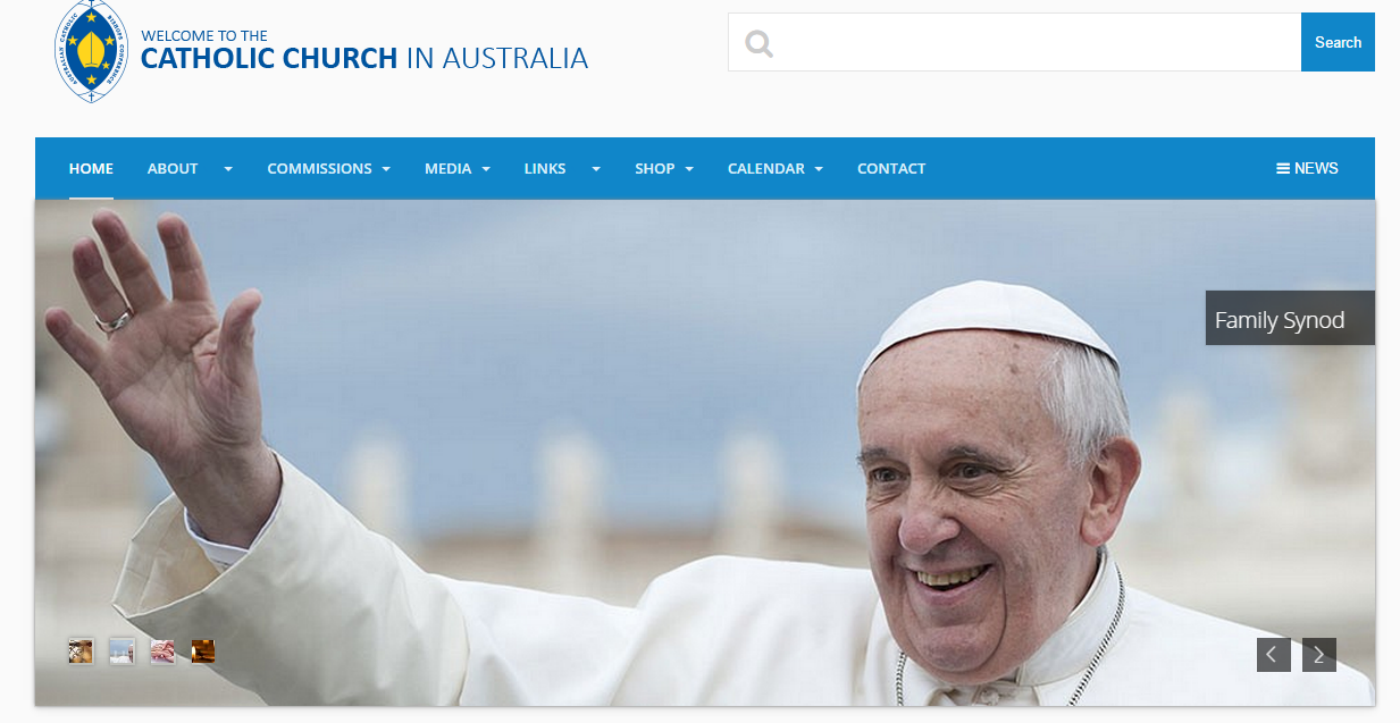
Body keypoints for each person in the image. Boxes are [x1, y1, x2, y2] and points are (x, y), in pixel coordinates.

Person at [44, 210, 1374, 705]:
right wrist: (227, 486)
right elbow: (437, 665)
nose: (917, 524)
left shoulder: (1285, 702)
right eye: (884, 476)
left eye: (969, 471)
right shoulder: (741, 639)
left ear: (1104, 489)